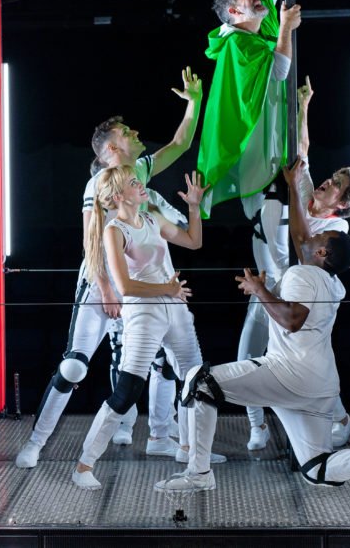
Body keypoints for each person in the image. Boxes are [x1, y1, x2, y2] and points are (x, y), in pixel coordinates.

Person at [154, 172, 350, 500]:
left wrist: (261, 290)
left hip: (290, 374)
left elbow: (292, 319)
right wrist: (292, 187)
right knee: (317, 468)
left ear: (322, 253)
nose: (308, 238)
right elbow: (301, 234)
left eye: (319, 240)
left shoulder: (302, 274)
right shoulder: (332, 282)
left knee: (199, 381)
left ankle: (198, 474)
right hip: (319, 387)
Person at [16, 68, 203, 469]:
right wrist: (105, 290)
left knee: (153, 363)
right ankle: (35, 443)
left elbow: (181, 142)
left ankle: (159, 435)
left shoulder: (141, 176)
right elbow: (92, 239)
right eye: (128, 133)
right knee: (74, 365)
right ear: (111, 149)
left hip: (139, 287)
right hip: (104, 285)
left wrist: (194, 102)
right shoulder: (101, 181)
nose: (136, 133)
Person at [238, 78, 350, 451]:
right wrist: (305, 104)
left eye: (336, 184)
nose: (328, 181)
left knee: (305, 367)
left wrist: (294, 190)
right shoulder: (308, 191)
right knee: (247, 355)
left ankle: (338, 419)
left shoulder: (336, 227)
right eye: (333, 177)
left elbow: (300, 246)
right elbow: (303, 148)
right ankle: (256, 426)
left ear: (342, 203)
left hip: (300, 303)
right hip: (268, 288)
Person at [72, 168, 221, 490]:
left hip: (174, 308)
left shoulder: (152, 219)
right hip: (143, 313)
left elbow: (193, 242)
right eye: (134, 183)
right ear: (117, 197)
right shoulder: (113, 230)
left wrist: (194, 206)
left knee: (197, 382)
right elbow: (125, 286)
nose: (142, 186)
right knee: (127, 391)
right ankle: (84, 465)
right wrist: (166, 290)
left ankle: (192, 456)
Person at [197, 0, 300, 221]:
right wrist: (286, 29)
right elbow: (279, 71)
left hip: (267, 145)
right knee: (269, 221)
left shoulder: (257, 22)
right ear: (234, 11)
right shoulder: (238, 46)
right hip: (250, 153)